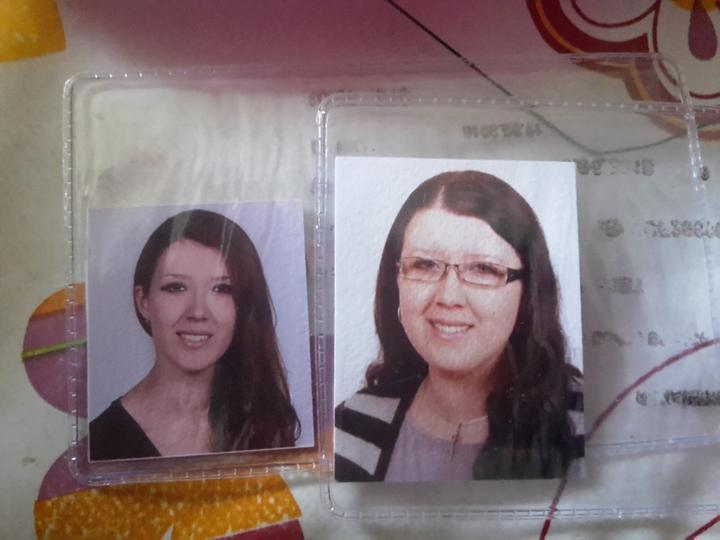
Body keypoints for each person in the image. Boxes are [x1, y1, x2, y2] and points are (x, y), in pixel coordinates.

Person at [335, 171, 583, 482]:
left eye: (483, 269)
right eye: (425, 264)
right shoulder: (350, 425)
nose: (449, 297)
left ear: (528, 292)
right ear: (396, 279)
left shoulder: (587, 422)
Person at [90, 209, 300, 460]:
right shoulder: (100, 442)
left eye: (221, 289)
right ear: (143, 301)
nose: (198, 312)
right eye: (176, 287)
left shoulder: (266, 423)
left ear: (244, 306)